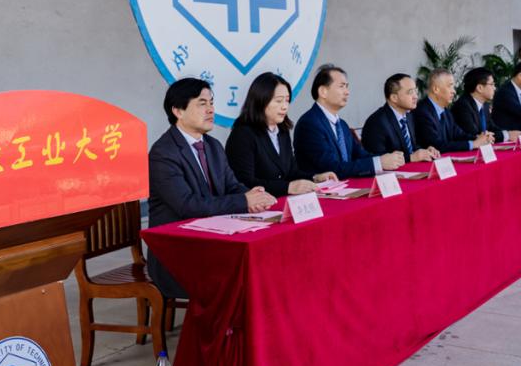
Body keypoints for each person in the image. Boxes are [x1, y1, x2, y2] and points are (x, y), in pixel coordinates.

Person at [147, 78, 276, 298]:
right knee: (244, 276)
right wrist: (244, 201)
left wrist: (253, 195)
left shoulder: (213, 145)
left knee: (265, 262)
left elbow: (231, 186)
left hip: (212, 240)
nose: (210, 109)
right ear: (178, 111)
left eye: (211, 103)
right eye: (202, 103)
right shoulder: (163, 153)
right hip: (177, 253)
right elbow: (187, 205)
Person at [226, 72, 337, 196]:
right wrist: (287, 187)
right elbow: (244, 182)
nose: (284, 106)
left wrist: (315, 178)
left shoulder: (282, 131)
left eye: (287, 100)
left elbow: (292, 172)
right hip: (258, 204)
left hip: (283, 201)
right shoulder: (243, 134)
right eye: (278, 101)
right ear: (260, 101)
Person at [294, 64, 403, 177]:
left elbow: (360, 155)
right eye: (341, 86)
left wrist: (385, 159)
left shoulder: (342, 125)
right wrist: (378, 163)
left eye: (347, 86)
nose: (347, 92)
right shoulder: (309, 124)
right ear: (323, 92)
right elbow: (331, 168)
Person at [361, 74, 439, 162]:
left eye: (415, 91)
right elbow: (379, 160)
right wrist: (411, 158)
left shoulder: (408, 115)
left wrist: (426, 151)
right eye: (410, 92)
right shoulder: (376, 123)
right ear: (394, 98)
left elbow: (411, 148)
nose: (416, 96)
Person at [413, 69, 492, 152]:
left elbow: (458, 134)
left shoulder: (445, 111)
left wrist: (480, 138)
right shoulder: (422, 112)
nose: (454, 91)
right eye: (450, 86)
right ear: (436, 89)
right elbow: (437, 145)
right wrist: (473, 144)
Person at [451, 67, 521, 143]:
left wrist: (508, 133)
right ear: (480, 88)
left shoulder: (484, 104)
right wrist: (506, 136)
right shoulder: (462, 106)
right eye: (492, 84)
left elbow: (491, 127)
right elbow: (475, 135)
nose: (494, 88)